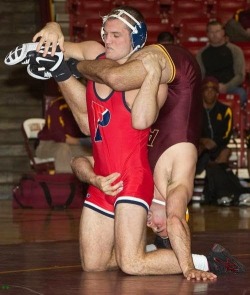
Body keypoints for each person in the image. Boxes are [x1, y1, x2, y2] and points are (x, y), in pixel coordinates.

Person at [5, 6, 245, 279]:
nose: (108, 40)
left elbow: (142, 120)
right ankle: (59, 70)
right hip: (102, 180)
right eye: (105, 33)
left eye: (116, 35)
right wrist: (53, 27)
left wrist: (152, 76)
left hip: (131, 180)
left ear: (136, 39)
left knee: (131, 264)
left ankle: (203, 262)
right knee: (93, 265)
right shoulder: (95, 52)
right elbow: (84, 128)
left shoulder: (144, 72)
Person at [196, 20, 247, 107]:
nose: (214, 34)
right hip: (209, 88)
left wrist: (226, 86)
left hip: (231, 87)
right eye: (211, 32)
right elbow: (200, 76)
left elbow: (240, 75)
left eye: (217, 31)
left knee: (241, 94)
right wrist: (211, 87)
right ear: (207, 34)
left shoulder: (235, 50)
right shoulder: (201, 53)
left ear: (223, 32)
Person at [35, 95, 92, 173]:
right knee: (63, 148)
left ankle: (92, 181)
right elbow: (59, 137)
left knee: (93, 152)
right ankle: (64, 181)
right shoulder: (57, 105)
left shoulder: (82, 107)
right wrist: (83, 141)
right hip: (47, 145)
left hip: (73, 146)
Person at [196, 76, 233, 175]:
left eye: (212, 90)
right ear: (201, 92)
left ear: (217, 94)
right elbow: (190, 130)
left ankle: (217, 181)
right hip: (201, 145)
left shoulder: (225, 110)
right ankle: (190, 179)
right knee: (192, 149)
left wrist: (214, 142)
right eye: (206, 90)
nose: (209, 93)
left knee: (225, 151)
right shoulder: (194, 111)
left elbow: (227, 134)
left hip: (218, 146)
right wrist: (202, 141)